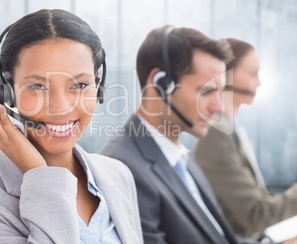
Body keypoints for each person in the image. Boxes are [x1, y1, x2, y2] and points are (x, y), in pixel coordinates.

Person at [0, 9, 143, 244]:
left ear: (98, 85)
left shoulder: (117, 175)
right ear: (8, 92)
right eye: (38, 87)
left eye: (80, 84)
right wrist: (40, 175)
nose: (61, 107)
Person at [100, 25, 243, 243]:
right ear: (159, 85)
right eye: (206, 91)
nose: (219, 107)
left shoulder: (181, 157)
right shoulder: (123, 169)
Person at [192, 38, 297, 239]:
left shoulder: (232, 130)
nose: (259, 82)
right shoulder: (215, 134)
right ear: (224, 76)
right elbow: (253, 216)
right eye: (252, 74)